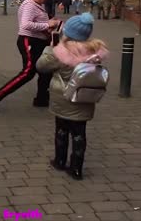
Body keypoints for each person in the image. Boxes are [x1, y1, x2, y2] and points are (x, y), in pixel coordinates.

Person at [36, 13, 109, 179]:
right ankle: (77, 168)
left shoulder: (60, 52)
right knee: (79, 133)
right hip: (84, 98)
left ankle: (60, 161)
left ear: (67, 33)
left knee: (61, 129)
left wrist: (49, 47)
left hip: (63, 97)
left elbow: (40, 66)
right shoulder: (94, 52)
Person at [0, 0, 60, 111]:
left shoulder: (36, 5)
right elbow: (25, 25)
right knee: (28, 72)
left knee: (46, 70)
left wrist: (49, 24)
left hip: (38, 41)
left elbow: (35, 22)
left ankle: (41, 99)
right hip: (29, 41)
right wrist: (47, 24)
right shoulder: (30, 5)